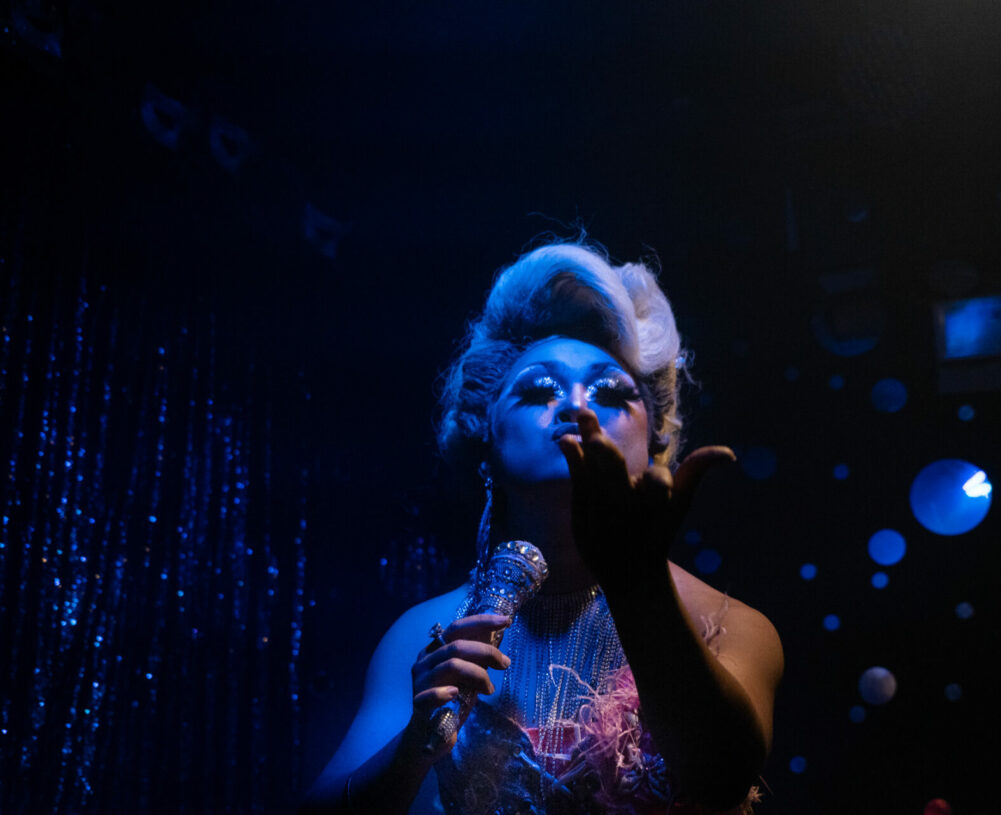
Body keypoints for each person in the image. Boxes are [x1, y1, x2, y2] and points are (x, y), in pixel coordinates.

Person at [301, 240, 784, 815]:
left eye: (609, 392)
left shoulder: (728, 626)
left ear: (653, 440)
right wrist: (414, 747)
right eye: (537, 390)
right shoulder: (424, 633)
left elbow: (720, 779)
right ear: (486, 440)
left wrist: (636, 580)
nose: (577, 407)